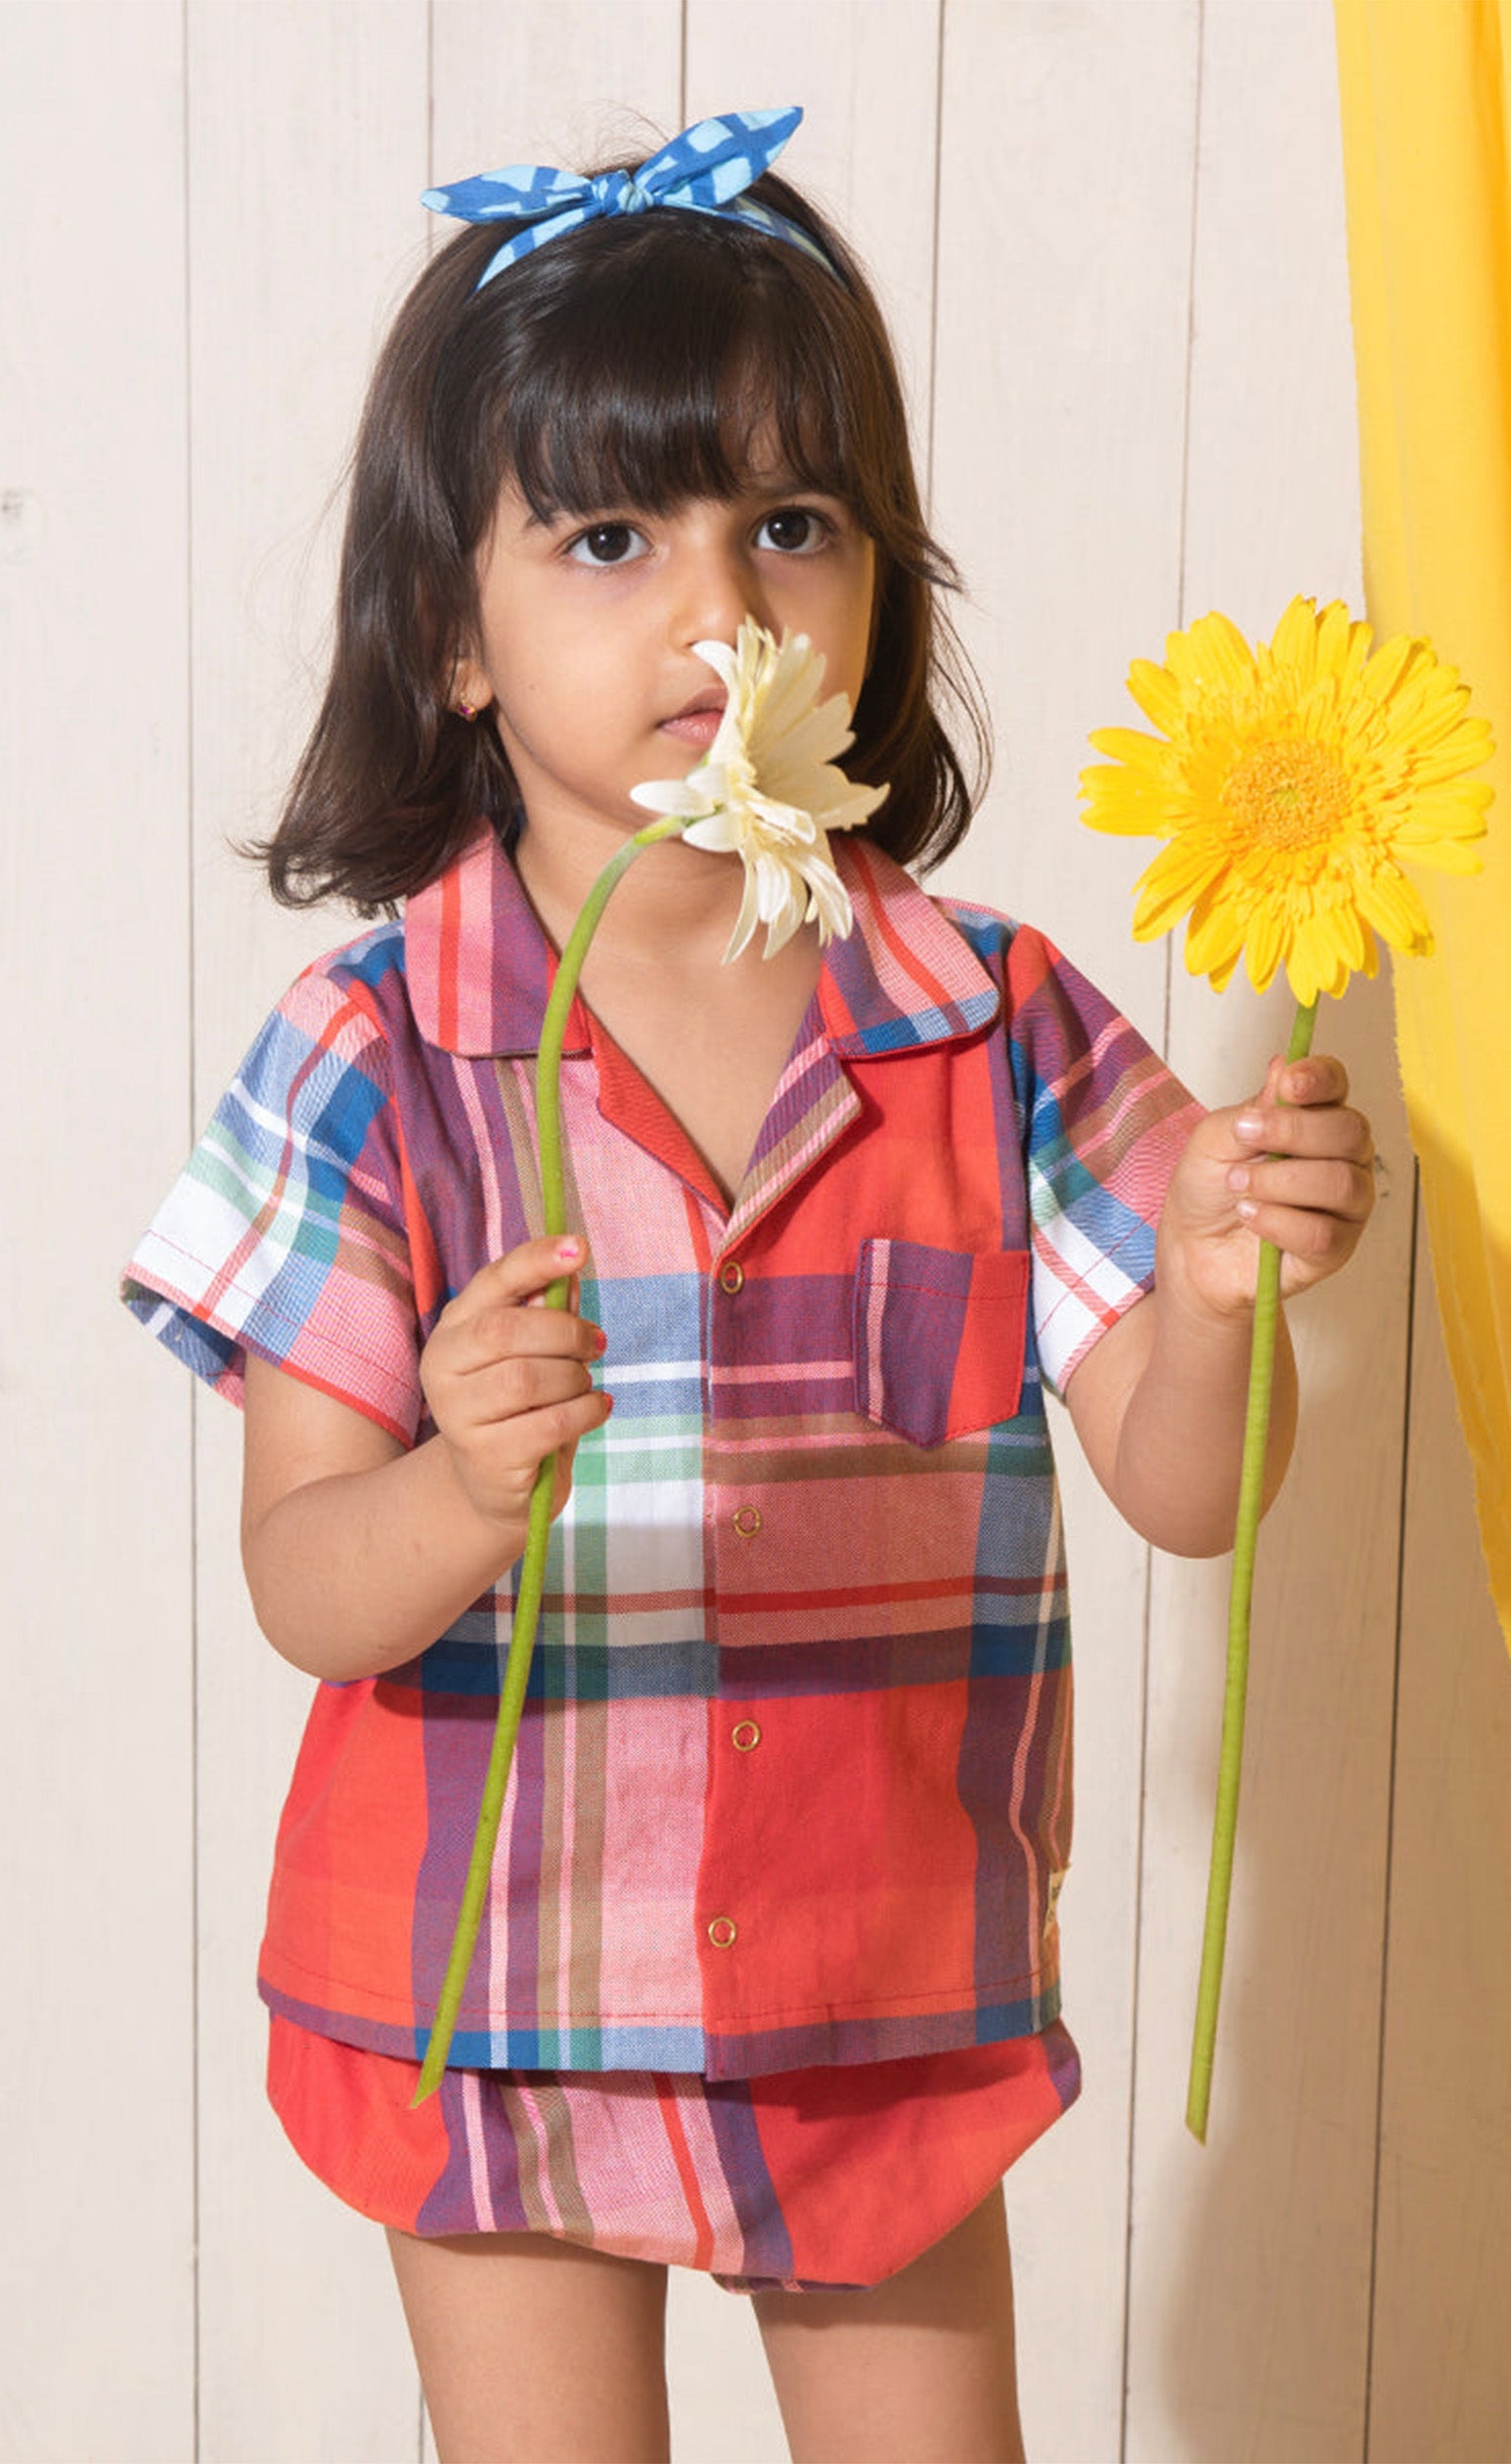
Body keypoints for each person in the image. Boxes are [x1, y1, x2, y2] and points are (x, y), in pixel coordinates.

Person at [123, 108, 1377, 2464]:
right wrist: (459, 1489)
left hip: (880, 1996)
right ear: (449, 638)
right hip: (487, 1993)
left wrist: (1216, 1288)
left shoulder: (993, 1025)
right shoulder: (377, 1054)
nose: (723, 611)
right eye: (610, 536)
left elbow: (1189, 1493)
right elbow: (309, 1583)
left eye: (789, 525)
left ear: (880, 583)